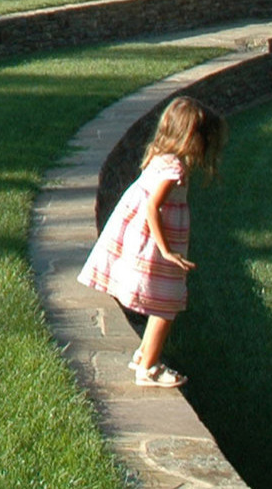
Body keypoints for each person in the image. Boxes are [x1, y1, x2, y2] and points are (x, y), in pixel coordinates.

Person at [78, 94, 226, 387]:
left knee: (163, 304)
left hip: (145, 241)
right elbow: (152, 207)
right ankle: (148, 368)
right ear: (191, 137)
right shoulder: (175, 170)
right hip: (155, 246)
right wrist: (167, 250)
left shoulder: (160, 157)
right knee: (165, 307)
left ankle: (145, 354)